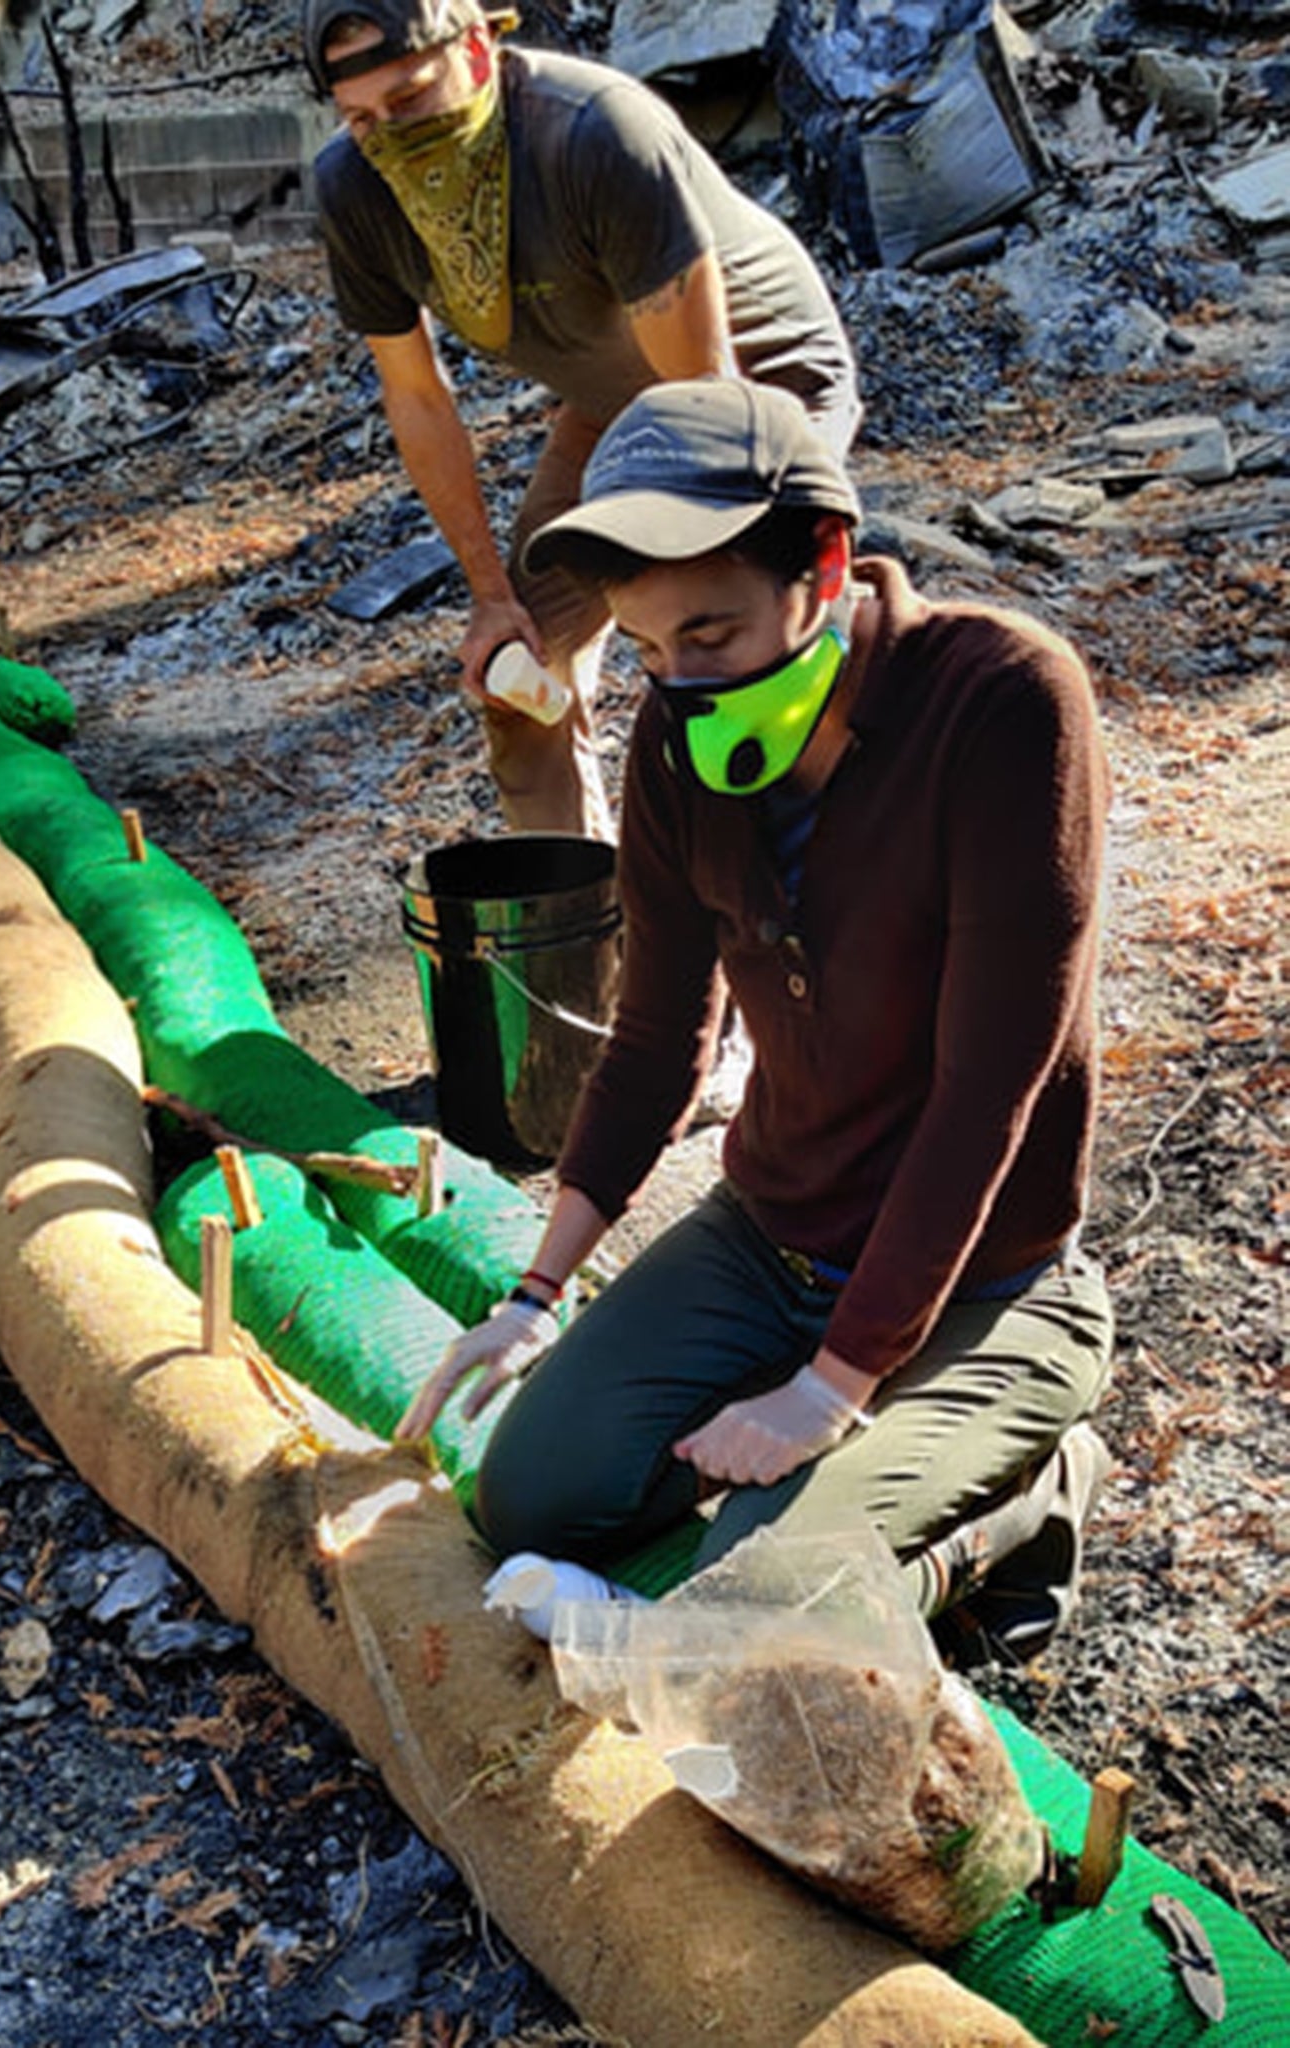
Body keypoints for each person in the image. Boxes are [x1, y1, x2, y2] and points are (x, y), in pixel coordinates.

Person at [396, 376, 1116, 1664]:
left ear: (826, 567)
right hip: (772, 1234)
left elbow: (985, 1095)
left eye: (714, 636)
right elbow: (660, 1033)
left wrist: (831, 1388)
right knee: (531, 1497)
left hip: (988, 1280)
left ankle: (1029, 1491)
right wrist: (534, 1288)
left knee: (762, 1586)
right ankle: (815, 1454)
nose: (680, 681)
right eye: (653, 648)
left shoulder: (1005, 703)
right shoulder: (680, 747)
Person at [301, 0, 861, 841]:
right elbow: (417, 397)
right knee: (518, 675)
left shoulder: (596, 134)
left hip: (755, 385)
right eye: (361, 117)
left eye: (412, 99)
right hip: (613, 400)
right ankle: (581, 946)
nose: (389, 133)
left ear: (481, 48)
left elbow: (707, 391)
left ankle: (811, 882)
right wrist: (493, 598)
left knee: (724, 644)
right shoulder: (354, 187)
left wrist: (695, 584)